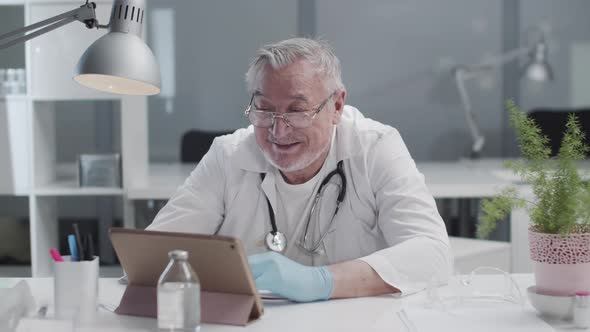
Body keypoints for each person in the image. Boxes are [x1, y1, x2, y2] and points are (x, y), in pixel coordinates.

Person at [147, 38, 452, 302]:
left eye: (297, 110)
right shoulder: (228, 157)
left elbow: (432, 255)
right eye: (265, 109)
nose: (279, 130)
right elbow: (151, 256)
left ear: (336, 106)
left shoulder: (375, 148)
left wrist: (322, 281)